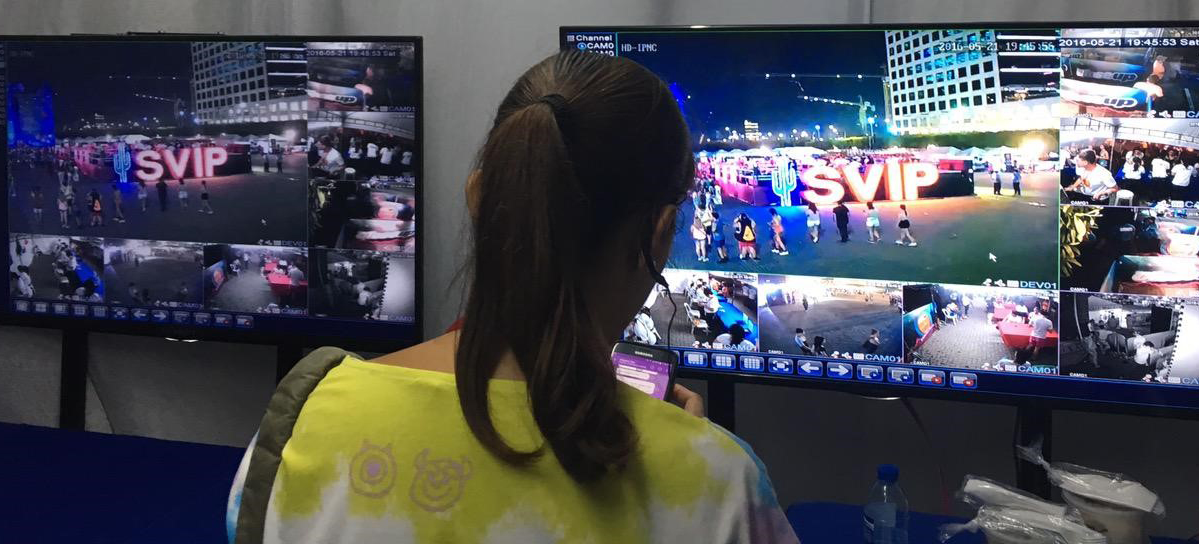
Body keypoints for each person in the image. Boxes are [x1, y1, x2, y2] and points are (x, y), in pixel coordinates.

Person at [227, 51, 796, 544]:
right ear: (660, 233)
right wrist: (687, 449)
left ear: (478, 198)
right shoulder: (722, 485)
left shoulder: (296, 428)